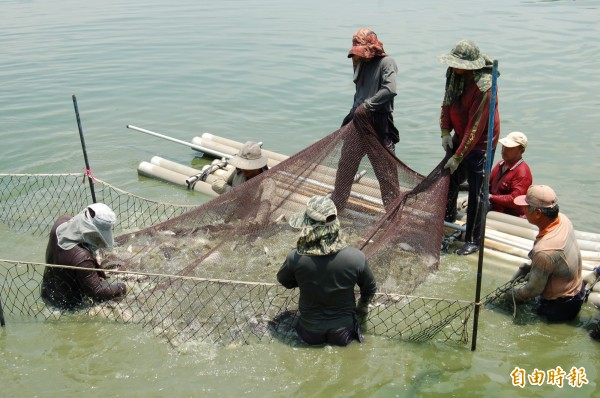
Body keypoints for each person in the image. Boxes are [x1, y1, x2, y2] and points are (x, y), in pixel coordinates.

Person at [277, 195, 377, 346]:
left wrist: (308, 280)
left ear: (308, 226)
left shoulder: (295, 258)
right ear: (335, 225)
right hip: (344, 333)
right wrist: (362, 307)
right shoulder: (356, 258)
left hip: (309, 333)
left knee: (279, 321)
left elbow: (284, 281)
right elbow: (370, 288)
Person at [439, 39, 500, 256]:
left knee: (477, 191)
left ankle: (474, 238)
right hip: (459, 135)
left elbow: (475, 127)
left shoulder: (484, 87)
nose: (454, 66)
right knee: (451, 178)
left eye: (458, 63)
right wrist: (445, 131)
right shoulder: (453, 74)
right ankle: (448, 217)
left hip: (480, 143)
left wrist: (458, 155)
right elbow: (447, 102)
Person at [331, 28, 400, 211]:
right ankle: (337, 207)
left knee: (387, 176)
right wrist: (355, 114)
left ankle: (393, 215)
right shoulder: (360, 63)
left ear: (372, 48)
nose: (358, 57)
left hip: (379, 126)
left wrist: (368, 106)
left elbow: (390, 90)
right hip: (357, 123)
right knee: (345, 166)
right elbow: (359, 94)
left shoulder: (387, 63)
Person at [509, 185, 584, 323]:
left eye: (526, 206)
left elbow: (533, 290)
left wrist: (512, 295)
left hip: (560, 307)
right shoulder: (563, 220)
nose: (523, 210)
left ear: (538, 213)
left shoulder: (544, 251)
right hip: (578, 291)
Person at [41, 203, 127, 310]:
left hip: (47, 293)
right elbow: (97, 293)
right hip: (68, 306)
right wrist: (121, 287)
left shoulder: (60, 223)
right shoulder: (82, 257)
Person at [489, 131, 533, 217]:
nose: (504, 150)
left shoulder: (522, 172)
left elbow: (515, 200)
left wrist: (491, 197)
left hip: (510, 218)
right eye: (504, 146)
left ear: (521, 150)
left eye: (510, 148)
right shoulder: (500, 164)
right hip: (493, 209)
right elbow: (487, 185)